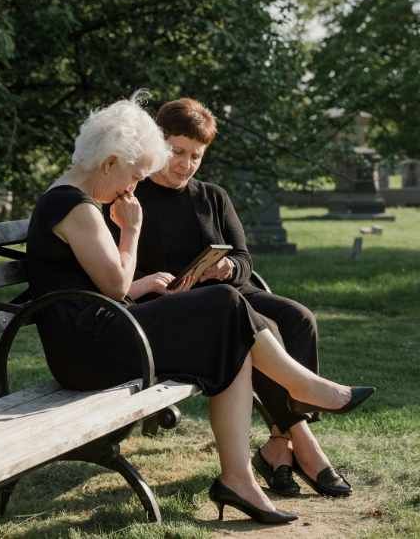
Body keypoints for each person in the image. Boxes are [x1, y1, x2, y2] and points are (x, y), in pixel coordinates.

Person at [26, 92, 373, 525]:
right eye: (133, 175)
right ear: (110, 160)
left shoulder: (77, 201)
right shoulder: (74, 206)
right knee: (224, 305)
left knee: (228, 332)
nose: (132, 188)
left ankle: (238, 479)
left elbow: (98, 287)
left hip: (103, 332)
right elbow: (113, 287)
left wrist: (141, 280)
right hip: (86, 353)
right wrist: (131, 232)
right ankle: (303, 392)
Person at [121, 97, 352, 497]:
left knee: (298, 318)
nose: (186, 164)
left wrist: (228, 268)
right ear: (156, 142)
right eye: (177, 151)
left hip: (230, 292)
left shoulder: (212, 196)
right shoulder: (131, 198)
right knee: (261, 329)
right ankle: (305, 449)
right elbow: (121, 270)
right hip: (178, 310)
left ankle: (280, 445)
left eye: (196, 155)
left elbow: (243, 257)